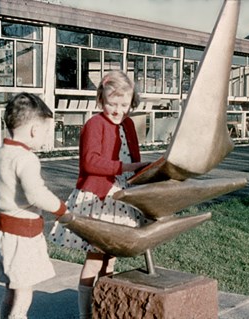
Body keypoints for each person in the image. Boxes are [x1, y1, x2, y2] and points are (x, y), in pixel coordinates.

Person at [50, 71, 150, 318]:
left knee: (111, 258)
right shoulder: (94, 125)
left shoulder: (128, 124)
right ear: (100, 100)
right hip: (100, 198)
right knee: (95, 257)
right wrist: (124, 168)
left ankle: (104, 308)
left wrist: (142, 173)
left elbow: (134, 158)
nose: (117, 110)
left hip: (121, 196)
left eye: (124, 105)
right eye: (111, 104)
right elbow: (90, 163)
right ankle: (85, 313)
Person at [0, 93, 69, 319]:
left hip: (5, 235)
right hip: (24, 237)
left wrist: (1, 222)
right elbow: (35, 193)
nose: (44, 138)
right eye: (45, 132)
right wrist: (61, 209)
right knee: (24, 294)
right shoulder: (26, 158)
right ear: (33, 130)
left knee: (10, 290)